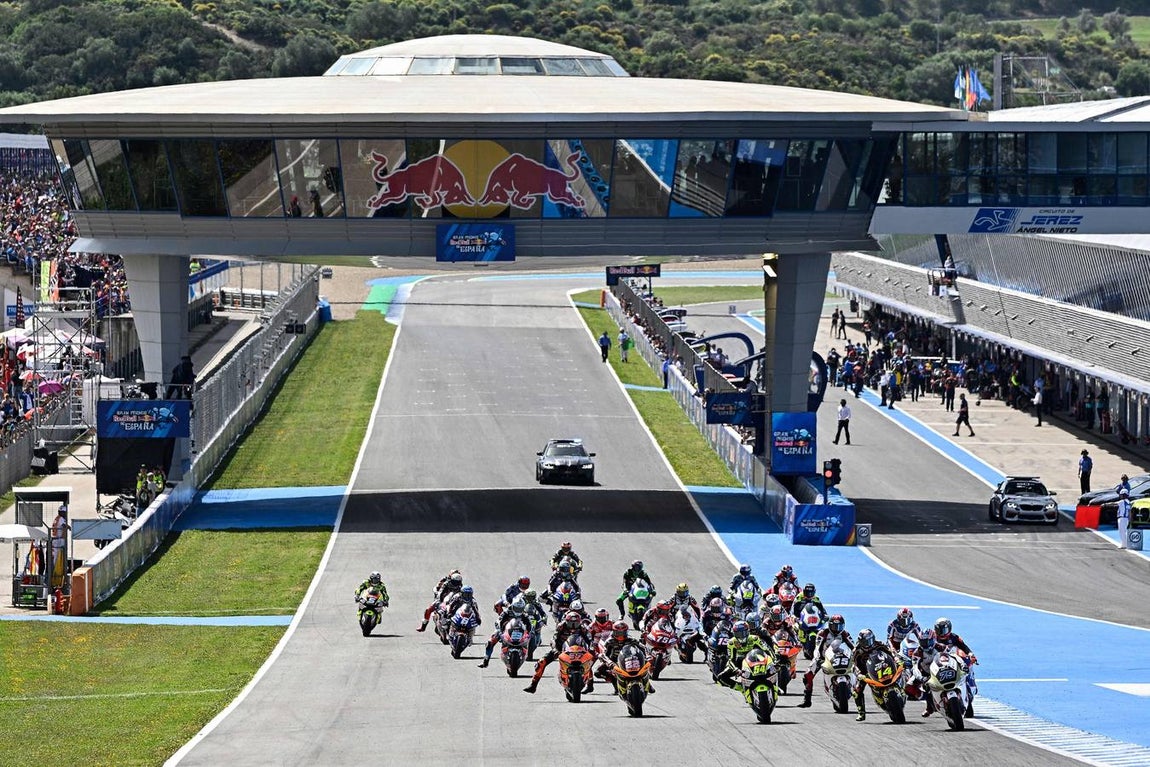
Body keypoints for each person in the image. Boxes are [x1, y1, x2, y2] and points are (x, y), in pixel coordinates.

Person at [523, 611, 595, 693]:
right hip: (561, 649)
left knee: (588, 661)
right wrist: (555, 649)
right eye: (571, 624)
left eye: (575, 624)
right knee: (542, 662)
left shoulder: (583, 628)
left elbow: (590, 640)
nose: (573, 626)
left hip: (579, 650)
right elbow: (554, 639)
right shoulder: (561, 626)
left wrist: (591, 649)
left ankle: (590, 684)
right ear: (567, 621)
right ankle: (533, 684)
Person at [799, 613, 854, 708]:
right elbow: (817, 647)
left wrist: (856, 655)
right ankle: (807, 700)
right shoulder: (822, 633)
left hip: (839, 656)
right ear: (829, 625)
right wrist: (817, 657)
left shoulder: (845, 633)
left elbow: (853, 647)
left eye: (839, 626)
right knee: (807, 675)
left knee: (860, 669)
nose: (837, 628)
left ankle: (854, 689)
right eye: (834, 626)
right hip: (823, 657)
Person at [715, 620, 771, 689]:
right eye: (738, 634)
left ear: (748, 631)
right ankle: (741, 688)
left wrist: (773, 662)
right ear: (734, 634)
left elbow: (767, 650)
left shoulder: (755, 639)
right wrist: (736, 669)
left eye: (743, 633)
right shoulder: (731, 643)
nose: (741, 636)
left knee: (774, 669)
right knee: (720, 678)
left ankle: (774, 686)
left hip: (756, 660)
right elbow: (731, 659)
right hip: (740, 662)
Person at [850, 628, 887, 721]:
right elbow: (853, 665)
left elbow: (891, 653)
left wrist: (897, 659)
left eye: (870, 640)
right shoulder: (857, 650)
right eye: (865, 642)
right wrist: (859, 674)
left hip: (882, 667)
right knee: (856, 691)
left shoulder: (879, 644)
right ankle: (861, 712)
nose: (868, 644)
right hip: (865, 672)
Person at [479, 599, 529, 668]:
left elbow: (530, 624)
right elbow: (498, 621)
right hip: (505, 630)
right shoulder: (507, 611)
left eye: (520, 609)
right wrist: (499, 630)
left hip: (520, 631)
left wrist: (530, 632)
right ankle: (485, 660)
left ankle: (526, 654)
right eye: (516, 608)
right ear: (513, 606)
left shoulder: (524, 614)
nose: (518, 610)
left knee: (529, 639)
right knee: (490, 642)